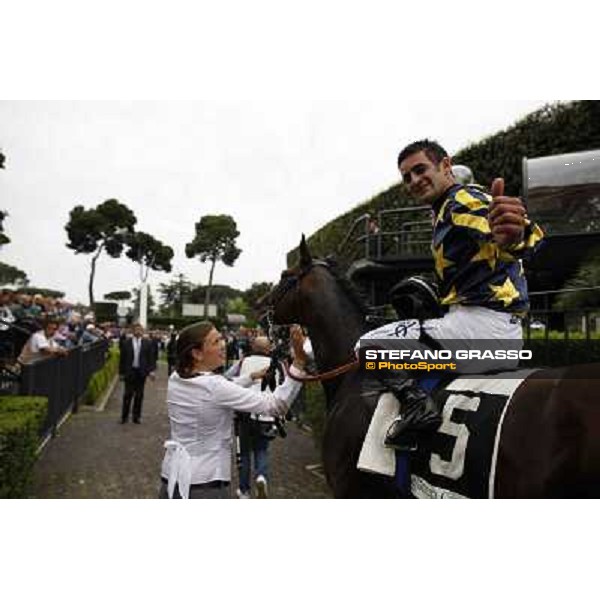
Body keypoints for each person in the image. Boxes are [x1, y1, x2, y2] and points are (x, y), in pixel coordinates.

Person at [359, 139, 545, 450]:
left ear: (446, 165)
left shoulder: (460, 199)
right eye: (406, 177)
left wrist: (514, 235)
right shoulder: (447, 208)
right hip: (500, 334)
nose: (414, 181)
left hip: (477, 330)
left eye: (420, 170)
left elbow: (522, 236)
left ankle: (418, 409)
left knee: (367, 346)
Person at [159, 321, 307, 499]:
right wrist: (298, 363)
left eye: (221, 338)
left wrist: (251, 376)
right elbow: (275, 405)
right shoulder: (214, 386)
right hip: (205, 484)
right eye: (215, 342)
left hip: (172, 475)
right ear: (197, 353)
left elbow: (216, 391)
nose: (223, 345)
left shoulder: (176, 378)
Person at [227, 336, 280, 499]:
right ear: (268, 348)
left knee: (244, 453)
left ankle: (244, 490)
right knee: (262, 450)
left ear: (253, 346)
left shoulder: (244, 362)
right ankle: (261, 476)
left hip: (245, 414)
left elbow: (228, 377)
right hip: (266, 414)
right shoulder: (276, 365)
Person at [118, 322, 156, 424]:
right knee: (127, 395)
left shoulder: (147, 343)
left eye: (140, 330)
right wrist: (121, 373)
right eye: (136, 329)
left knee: (139, 395)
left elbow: (151, 358)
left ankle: (136, 417)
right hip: (130, 371)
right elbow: (122, 359)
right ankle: (124, 417)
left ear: (142, 331)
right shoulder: (126, 342)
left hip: (141, 372)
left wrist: (151, 371)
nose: (138, 331)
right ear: (132, 330)